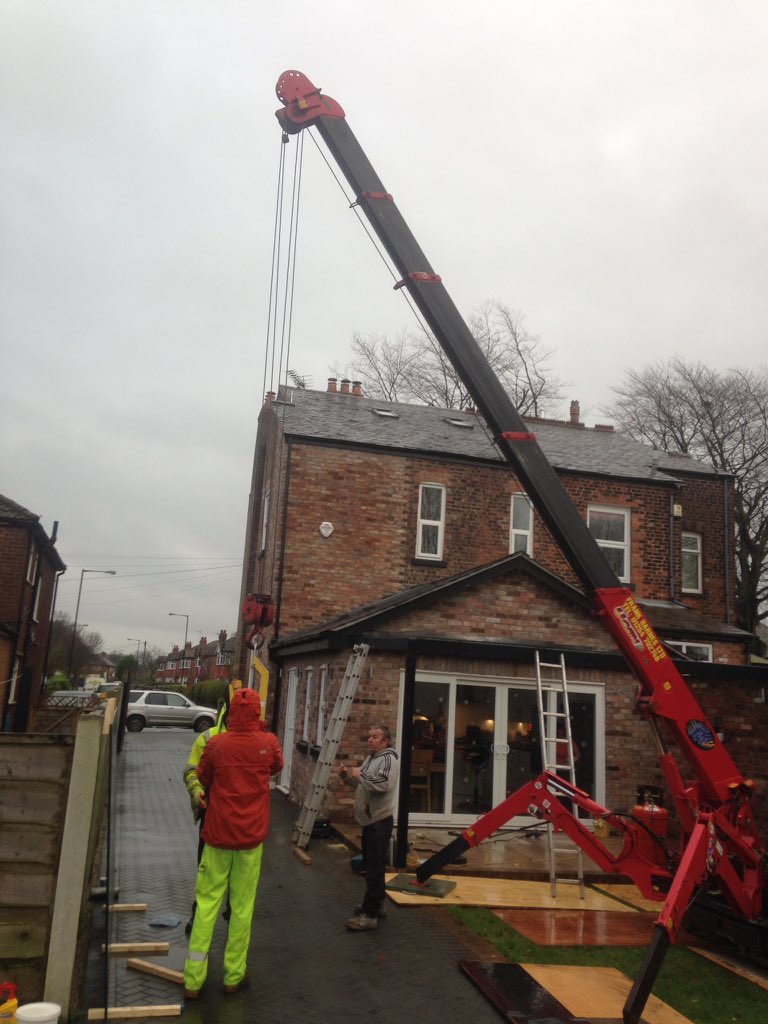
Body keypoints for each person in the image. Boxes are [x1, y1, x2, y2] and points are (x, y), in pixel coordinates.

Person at [183, 687, 283, 999]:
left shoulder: (215, 743)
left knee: (206, 905)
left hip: (217, 837)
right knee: (242, 908)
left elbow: (202, 775)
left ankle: (193, 981)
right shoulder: (268, 744)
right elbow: (276, 767)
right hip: (251, 840)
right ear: (256, 712)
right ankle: (233, 976)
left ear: (229, 712)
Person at [182, 685, 237, 935]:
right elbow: (191, 769)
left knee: (235, 876)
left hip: (237, 818)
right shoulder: (208, 738)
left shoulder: (254, 741)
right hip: (213, 814)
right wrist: (196, 790)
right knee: (206, 871)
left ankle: (231, 912)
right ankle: (200, 916)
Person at [339, 724, 399, 931]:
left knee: (374, 868)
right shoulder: (371, 759)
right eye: (369, 737)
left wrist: (360, 776)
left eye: (375, 737)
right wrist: (347, 776)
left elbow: (383, 784)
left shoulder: (389, 759)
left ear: (386, 742)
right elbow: (364, 784)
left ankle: (370, 915)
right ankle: (376, 903)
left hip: (379, 821)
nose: (370, 740)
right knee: (372, 865)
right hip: (369, 821)